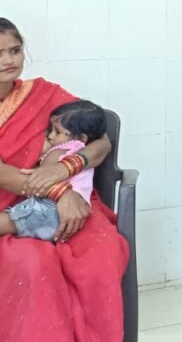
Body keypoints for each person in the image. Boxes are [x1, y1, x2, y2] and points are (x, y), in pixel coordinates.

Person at [0, 18, 130, 342]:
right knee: (32, 265)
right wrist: (60, 192)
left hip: (64, 200)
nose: (9, 60)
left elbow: (101, 142)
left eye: (15, 49)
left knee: (99, 256)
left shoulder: (44, 95)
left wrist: (66, 167)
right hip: (14, 206)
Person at [0, 99, 105, 240]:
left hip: (54, 208)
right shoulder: (81, 148)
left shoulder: (61, 150)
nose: (50, 136)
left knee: (11, 221)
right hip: (68, 214)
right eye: (51, 130)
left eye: (57, 132)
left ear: (81, 137)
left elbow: (41, 176)